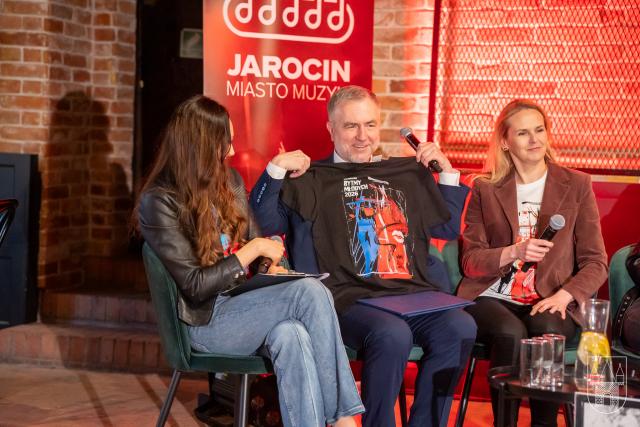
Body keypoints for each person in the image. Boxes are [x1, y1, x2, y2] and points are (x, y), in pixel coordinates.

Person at [250, 85, 477, 427]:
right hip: (346, 300)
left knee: (460, 327)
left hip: (409, 294)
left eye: (370, 125)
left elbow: (445, 228)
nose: (362, 136)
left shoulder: (404, 176)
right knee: (393, 334)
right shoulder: (308, 179)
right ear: (331, 129)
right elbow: (265, 222)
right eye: (351, 126)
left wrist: (446, 171)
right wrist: (276, 168)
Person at [133, 95, 364, 427]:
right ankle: (343, 418)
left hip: (247, 305)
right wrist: (252, 250)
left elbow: (258, 256)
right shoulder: (159, 201)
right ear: (200, 145)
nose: (231, 151)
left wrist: (270, 267)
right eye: (224, 143)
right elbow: (196, 286)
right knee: (310, 292)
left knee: (291, 333)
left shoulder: (230, 182)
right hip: (206, 323)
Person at [458, 99, 608, 426]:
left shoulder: (576, 185)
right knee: (510, 332)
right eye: (523, 133)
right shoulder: (485, 188)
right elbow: (470, 262)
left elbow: (596, 261)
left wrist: (565, 296)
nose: (534, 139)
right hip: (492, 295)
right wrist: (515, 251)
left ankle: (544, 423)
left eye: (539, 130)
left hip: (552, 296)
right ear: (505, 142)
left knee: (546, 329)